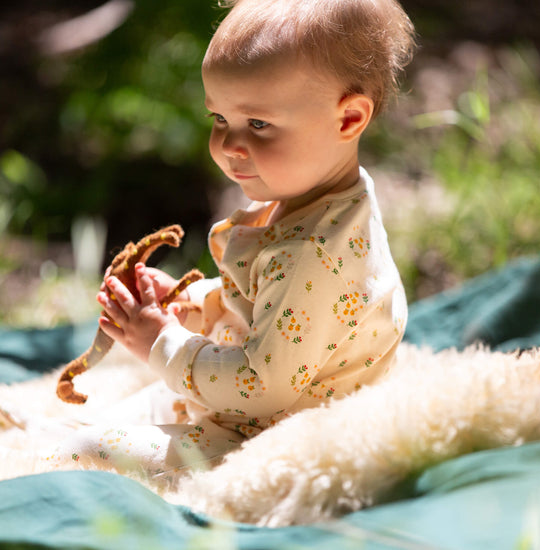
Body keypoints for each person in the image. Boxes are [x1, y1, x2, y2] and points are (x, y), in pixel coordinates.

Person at [45, 0, 415, 480]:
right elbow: (266, 303)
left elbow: (260, 384)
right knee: (109, 418)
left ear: (347, 119)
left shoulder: (314, 254)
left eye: (258, 124)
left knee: (82, 452)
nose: (227, 145)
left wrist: (160, 340)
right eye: (219, 118)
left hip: (275, 439)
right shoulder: (322, 198)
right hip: (247, 408)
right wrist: (192, 305)